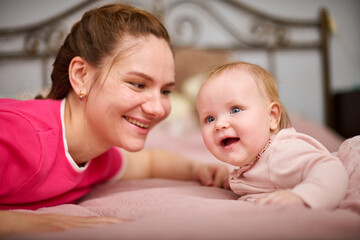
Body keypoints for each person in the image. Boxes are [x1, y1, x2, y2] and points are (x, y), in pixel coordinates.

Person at [0, 3, 229, 236]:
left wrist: (198, 169)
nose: (158, 108)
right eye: (138, 84)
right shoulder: (19, 134)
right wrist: (23, 223)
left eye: (166, 91)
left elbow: (150, 163)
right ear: (81, 76)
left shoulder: (97, 155)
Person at [196, 61, 349, 210]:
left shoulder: (281, 153)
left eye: (235, 110)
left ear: (272, 116)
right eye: (210, 119)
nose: (219, 124)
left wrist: (301, 197)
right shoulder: (256, 161)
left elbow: (332, 170)